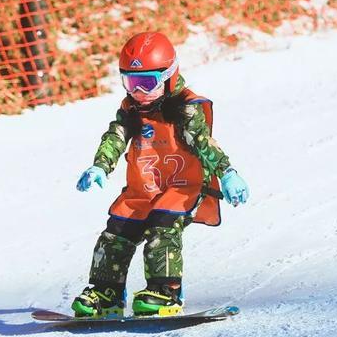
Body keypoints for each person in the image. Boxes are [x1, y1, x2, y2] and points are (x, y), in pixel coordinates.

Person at [72, 31, 249, 318]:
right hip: (143, 190)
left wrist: (227, 173)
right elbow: (115, 137)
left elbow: (204, 143)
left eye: (146, 83)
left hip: (182, 188)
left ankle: (166, 291)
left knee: (162, 227)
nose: (138, 92)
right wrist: (99, 165)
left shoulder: (185, 108)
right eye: (130, 83)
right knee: (115, 232)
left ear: (168, 76)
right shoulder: (132, 108)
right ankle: (107, 293)